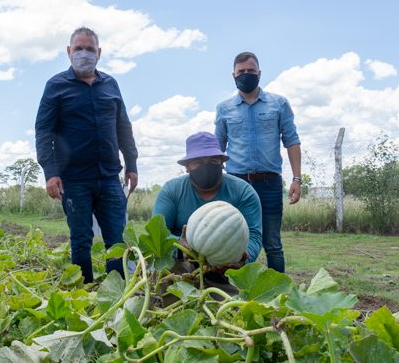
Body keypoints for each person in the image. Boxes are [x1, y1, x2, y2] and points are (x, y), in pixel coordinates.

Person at [35, 27, 139, 283]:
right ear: (69, 52)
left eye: (90, 49)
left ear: (99, 53)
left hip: (109, 178)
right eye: (78, 48)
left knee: (117, 238)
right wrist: (51, 173)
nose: (84, 54)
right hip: (74, 180)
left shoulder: (111, 85)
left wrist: (132, 164)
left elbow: (123, 126)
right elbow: (43, 131)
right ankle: (83, 290)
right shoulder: (56, 86)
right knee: (81, 238)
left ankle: (118, 291)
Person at [215, 51, 301, 273]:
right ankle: (237, 291)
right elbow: (217, 149)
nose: (246, 75)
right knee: (234, 241)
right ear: (233, 75)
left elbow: (292, 141)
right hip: (236, 185)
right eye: (241, 71)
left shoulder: (279, 104)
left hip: (269, 183)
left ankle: (278, 295)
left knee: (272, 243)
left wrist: (297, 179)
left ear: (259, 73)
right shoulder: (224, 109)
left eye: (251, 71)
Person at [152, 132, 262, 300]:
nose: (207, 166)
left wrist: (241, 259)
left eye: (213, 161)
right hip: (179, 268)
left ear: (222, 164)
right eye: (198, 162)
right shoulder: (171, 191)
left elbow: (254, 235)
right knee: (169, 301)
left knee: (232, 312)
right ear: (187, 166)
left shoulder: (243, 192)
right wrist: (179, 248)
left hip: (226, 272)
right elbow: (157, 234)